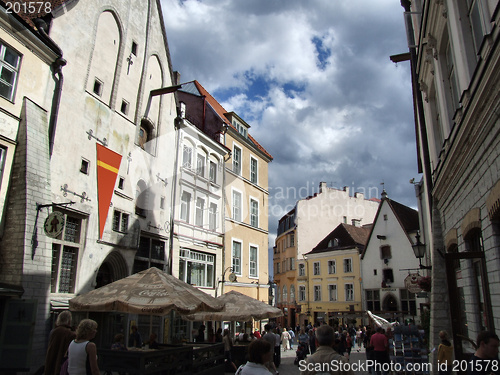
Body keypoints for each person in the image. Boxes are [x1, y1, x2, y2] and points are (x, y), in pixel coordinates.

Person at [44, 310, 76, 375]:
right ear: (69, 320)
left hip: (52, 363)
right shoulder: (70, 334)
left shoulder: (53, 331)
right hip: (62, 364)